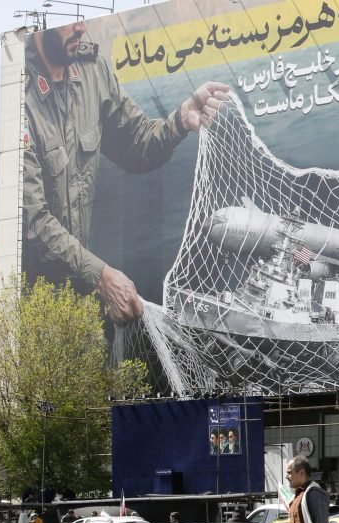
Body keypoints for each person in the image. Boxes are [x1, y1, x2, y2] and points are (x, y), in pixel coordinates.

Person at [22, 20, 229, 322]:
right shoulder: (19, 96)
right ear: (44, 24)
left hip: (81, 301)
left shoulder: (94, 71)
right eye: (70, 22)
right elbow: (33, 222)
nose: (81, 28)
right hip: (32, 309)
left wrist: (179, 121)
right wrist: (101, 277)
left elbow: (136, 144)